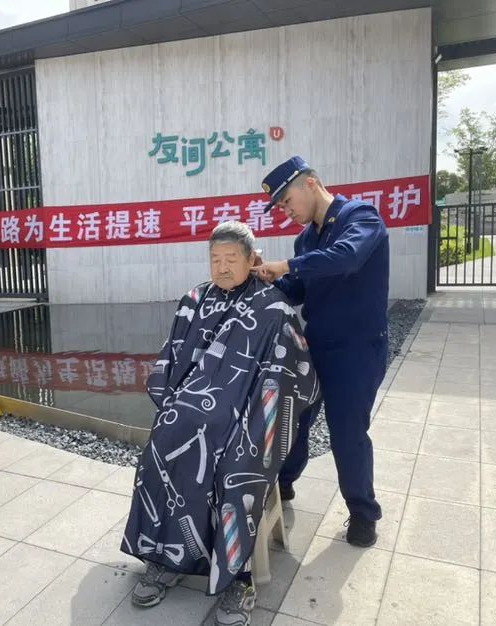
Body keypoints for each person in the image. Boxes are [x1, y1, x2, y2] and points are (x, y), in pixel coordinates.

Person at [122, 221, 319, 626]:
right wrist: (181, 408)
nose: (223, 267)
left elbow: (291, 375)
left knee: (235, 470)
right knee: (160, 449)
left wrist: (250, 419)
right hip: (192, 412)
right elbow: (173, 364)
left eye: (232, 259)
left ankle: (238, 580)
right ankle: (165, 558)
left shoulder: (273, 307)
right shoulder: (194, 300)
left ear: (252, 260)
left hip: (249, 420)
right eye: (215, 259)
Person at [253, 156, 389, 549]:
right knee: (294, 419)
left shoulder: (360, 218)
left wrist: (285, 265)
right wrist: (266, 277)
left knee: (346, 432)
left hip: (357, 349)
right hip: (317, 345)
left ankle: (363, 513)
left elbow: (346, 257)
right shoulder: (305, 240)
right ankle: (284, 482)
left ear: (311, 183)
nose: (286, 210)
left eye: (287, 200)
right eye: (280, 206)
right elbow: (299, 290)